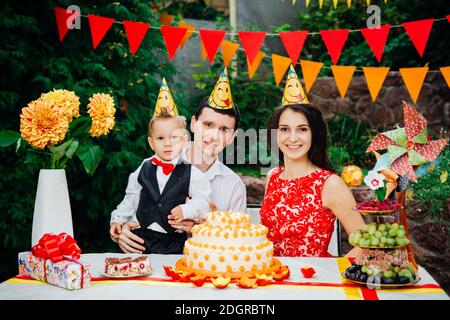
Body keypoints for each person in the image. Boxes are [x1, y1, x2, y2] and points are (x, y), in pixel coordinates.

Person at [113, 69, 247, 253]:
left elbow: (239, 244)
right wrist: (121, 230)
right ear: (193, 124)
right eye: (208, 124)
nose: (213, 135)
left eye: (224, 130)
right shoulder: (153, 165)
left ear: (233, 137)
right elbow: (132, 202)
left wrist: (202, 229)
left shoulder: (234, 186)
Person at [259, 65, 365, 258]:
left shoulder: (330, 184)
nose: (292, 138)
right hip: (272, 281)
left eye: (302, 129)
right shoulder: (272, 176)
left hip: (313, 282)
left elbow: (364, 245)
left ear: (314, 134)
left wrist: (332, 275)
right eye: (284, 129)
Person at [109, 78, 212, 254]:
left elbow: (204, 201)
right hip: (141, 238)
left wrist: (187, 209)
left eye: (174, 138)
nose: (168, 144)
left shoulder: (192, 172)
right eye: (160, 138)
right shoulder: (143, 167)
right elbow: (131, 198)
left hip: (174, 241)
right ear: (151, 142)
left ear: (184, 140)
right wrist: (117, 220)